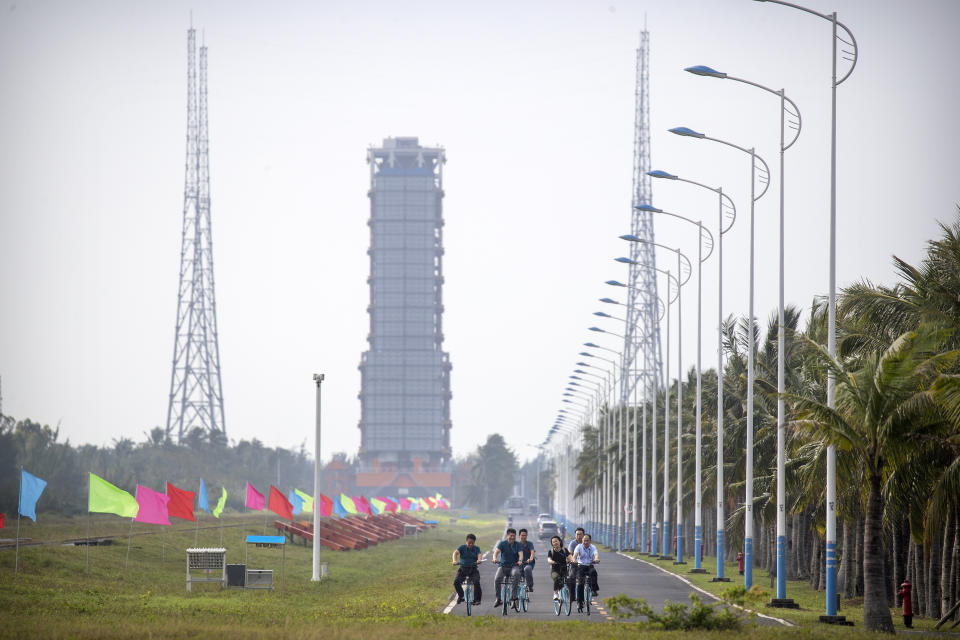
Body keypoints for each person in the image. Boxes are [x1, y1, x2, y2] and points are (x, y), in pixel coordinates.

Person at [492, 528, 524, 608]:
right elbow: (496, 552)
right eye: (510, 536)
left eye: (513, 536)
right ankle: (498, 599)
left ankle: (513, 597)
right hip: (503, 566)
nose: (512, 537)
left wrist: (520, 560)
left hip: (514, 566)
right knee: (497, 579)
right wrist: (495, 558)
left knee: (516, 574)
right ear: (507, 536)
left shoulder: (518, 544)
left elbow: (520, 554)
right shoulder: (502, 544)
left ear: (515, 536)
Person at [452, 533, 482, 606]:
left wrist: (479, 560)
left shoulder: (477, 548)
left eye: (472, 543)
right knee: (456, 582)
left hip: (473, 569)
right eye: (469, 543)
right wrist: (454, 561)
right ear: (466, 542)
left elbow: (479, 555)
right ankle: (461, 595)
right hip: (463, 569)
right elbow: (455, 553)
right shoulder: (462, 547)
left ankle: (477, 600)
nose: (471, 544)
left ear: (474, 542)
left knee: (476, 582)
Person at [572, 533, 600, 612]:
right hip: (580, 566)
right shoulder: (578, 547)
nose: (585, 542)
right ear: (582, 541)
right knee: (580, 584)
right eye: (584, 540)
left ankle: (594, 590)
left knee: (594, 573)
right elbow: (575, 555)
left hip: (590, 565)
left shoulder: (593, 547)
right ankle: (580, 602)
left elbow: (596, 555)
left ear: (590, 541)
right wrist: (574, 560)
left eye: (587, 541)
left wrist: (596, 559)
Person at [546, 535, 573, 602]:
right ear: (552, 543)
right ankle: (555, 594)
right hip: (555, 570)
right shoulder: (551, 551)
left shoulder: (564, 550)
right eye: (553, 542)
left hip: (564, 569)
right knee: (557, 579)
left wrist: (573, 561)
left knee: (569, 580)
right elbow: (549, 560)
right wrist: (553, 562)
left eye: (556, 541)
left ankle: (568, 593)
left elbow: (570, 557)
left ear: (560, 541)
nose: (555, 543)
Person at [518, 528, 536, 592]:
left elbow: (532, 552)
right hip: (518, 564)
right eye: (522, 535)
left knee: (527, 569)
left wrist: (530, 559)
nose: (523, 537)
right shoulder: (516, 544)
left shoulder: (530, 544)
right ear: (519, 536)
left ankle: (530, 586)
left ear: (527, 536)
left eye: (525, 535)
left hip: (528, 563)